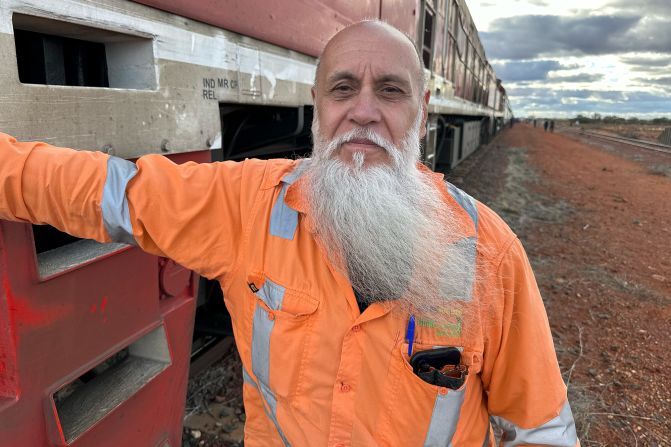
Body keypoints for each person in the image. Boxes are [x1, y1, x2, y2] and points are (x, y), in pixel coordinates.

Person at [0, 21, 578, 446]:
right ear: (316, 107)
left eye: (392, 91)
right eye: (343, 88)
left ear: (423, 112)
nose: (364, 112)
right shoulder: (247, 205)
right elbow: (111, 191)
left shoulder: (489, 251)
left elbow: (541, 429)